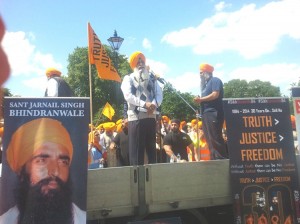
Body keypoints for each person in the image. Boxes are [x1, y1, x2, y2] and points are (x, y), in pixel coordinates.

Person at [0, 118, 86, 224]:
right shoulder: (5, 221)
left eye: (63, 162)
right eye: (42, 160)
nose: (55, 172)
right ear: (21, 172)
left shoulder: (82, 218)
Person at [121, 51, 163, 165]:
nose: (140, 63)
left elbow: (159, 95)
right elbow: (128, 96)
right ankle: (137, 180)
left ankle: (152, 178)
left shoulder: (152, 79)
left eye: (142, 61)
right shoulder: (128, 78)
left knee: (151, 152)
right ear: (133, 65)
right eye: (138, 62)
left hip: (151, 118)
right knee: (137, 153)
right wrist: (145, 104)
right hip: (136, 119)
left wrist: (154, 104)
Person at [193, 63, 228, 160]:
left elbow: (215, 94)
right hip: (205, 113)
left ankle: (221, 159)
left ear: (206, 72)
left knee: (215, 137)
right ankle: (214, 158)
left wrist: (201, 99)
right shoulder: (205, 85)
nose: (200, 75)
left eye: (201, 73)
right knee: (209, 138)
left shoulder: (215, 80)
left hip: (214, 113)